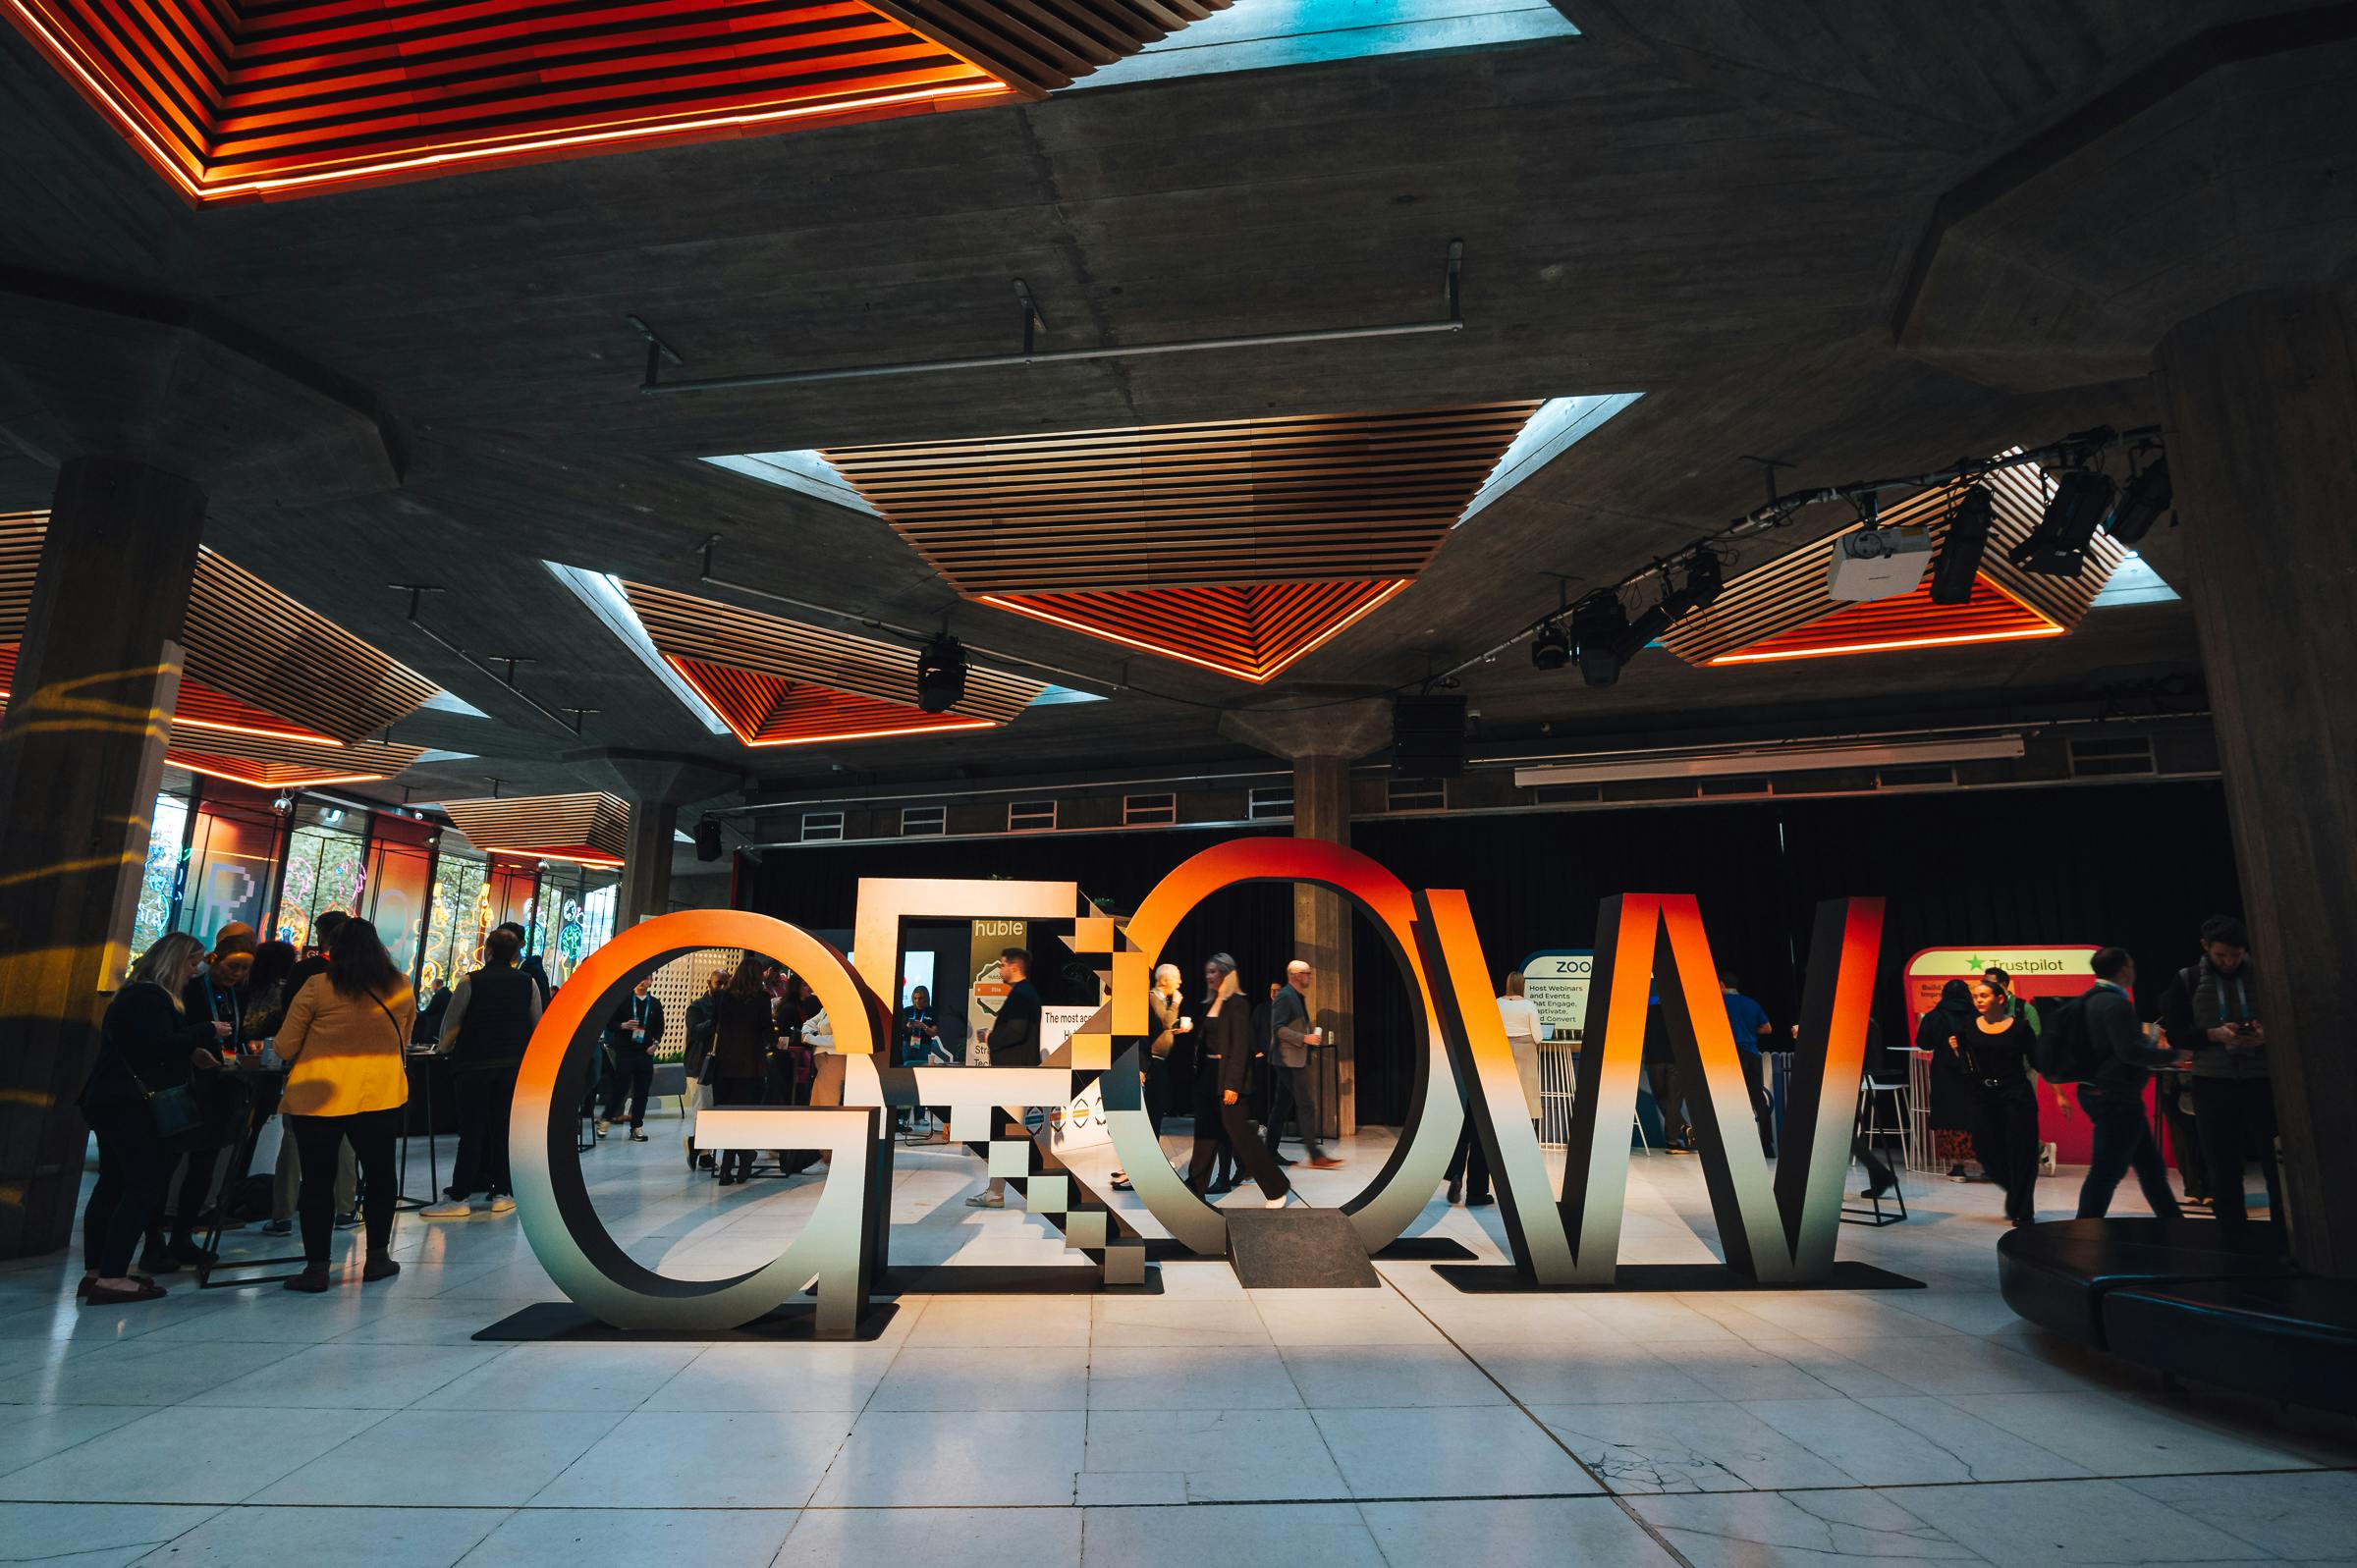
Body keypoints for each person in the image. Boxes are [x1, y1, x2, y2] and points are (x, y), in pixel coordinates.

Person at [77, 933, 231, 1305]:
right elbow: (159, 1044)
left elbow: (147, 1044)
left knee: (113, 1184)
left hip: (111, 1099)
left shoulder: (134, 995)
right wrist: (206, 1030)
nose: (194, 973)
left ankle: (98, 1271)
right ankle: (112, 1276)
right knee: (143, 1186)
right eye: (192, 965)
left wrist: (189, 1050)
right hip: (131, 1104)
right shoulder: (150, 997)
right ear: (174, 962)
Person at [273, 917, 416, 1292]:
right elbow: (405, 1038)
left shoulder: (317, 986)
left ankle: (317, 1268)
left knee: (317, 1181)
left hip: (318, 1096)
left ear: (333, 950)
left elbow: (285, 1046)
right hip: (379, 1095)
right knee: (381, 1177)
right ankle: (378, 1258)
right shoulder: (399, 986)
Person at [2167, 916, 2282, 1238]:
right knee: (2222, 1168)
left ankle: (2285, 1238)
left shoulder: (2267, 975)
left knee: (2276, 1165)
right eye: (2221, 956)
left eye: (2236, 955)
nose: (2230, 962)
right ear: (2206, 948)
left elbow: (2296, 1020)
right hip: (2212, 1082)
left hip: (2264, 1081)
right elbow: (2176, 1034)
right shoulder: (2187, 979)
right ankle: (2233, 1241)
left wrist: (2266, 1034)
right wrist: (2213, 1035)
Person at [421, 926, 541, 1217]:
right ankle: (503, 1192)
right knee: (503, 1130)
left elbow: (452, 1023)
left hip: (473, 1066)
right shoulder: (528, 983)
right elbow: (536, 1023)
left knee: (472, 1132)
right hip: (512, 1067)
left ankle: (460, 1196)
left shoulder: (470, 981)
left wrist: (443, 1049)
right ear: (516, 954)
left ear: (487, 951)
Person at [2073, 946, 2190, 1221]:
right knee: (2105, 1174)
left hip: (2102, 1093)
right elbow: (2130, 1052)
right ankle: (2083, 1230)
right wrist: (2174, 1055)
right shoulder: (2115, 1004)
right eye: (2132, 966)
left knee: (2150, 1169)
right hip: (2116, 1099)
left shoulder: (2088, 1001)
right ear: (2125, 969)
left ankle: (2174, 1224)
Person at [1184, 953, 1289, 1207]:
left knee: (1242, 1134)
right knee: (1206, 1133)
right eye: (1207, 972)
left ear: (1227, 974)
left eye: (1214, 972)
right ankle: (1195, 1187)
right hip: (1207, 1075)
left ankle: (1276, 1187)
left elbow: (1241, 1047)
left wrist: (1232, 1084)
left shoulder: (1238, 1004)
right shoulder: (1211, 1002)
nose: (1209, 976)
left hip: (1227, 1075)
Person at [1946, 980, 2041, 1227]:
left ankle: (2023, 1210)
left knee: (2021, 1152)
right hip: (1984, 1095)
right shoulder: (1967, 1027)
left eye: (1984, 995)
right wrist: (1957, 1050)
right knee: (1985, 1149)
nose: (1978, 1000)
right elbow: (1967, 1065)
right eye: (1975, 996)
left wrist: (2060, 1092)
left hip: (2016, 1094)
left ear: (2000, 999)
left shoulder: (2020, 1028)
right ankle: (2017, 1191)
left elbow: (2038, 1061)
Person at [968, 946, 1042, 1209]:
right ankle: (995, 1191)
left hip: (1013, 1076)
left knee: (1008, 1136)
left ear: (1014, 966)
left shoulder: (1022, 995)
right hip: (1015, 1075)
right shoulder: (1026, 993)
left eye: (1001, 965)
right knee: (1007, 1134)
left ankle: (999, 1192)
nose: (999, 970)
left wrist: (990, 1037)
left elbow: (1017, 1032)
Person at [1114, 964, 1188, 1190]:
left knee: (1153, 1115)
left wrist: (1176, 1029)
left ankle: (1137, 1166)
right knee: (1150, 1116)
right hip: (1150, 1063)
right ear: (1165, 981)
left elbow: (1162, 1026)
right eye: (1177, 979)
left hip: (1154, 1062)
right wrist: (1176, 1003)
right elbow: (1163, 1022)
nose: (1180, 984)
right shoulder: (1154, 998)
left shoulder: (1156, 999)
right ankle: (1140, 1169)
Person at [1265, 959, 1343, 1170]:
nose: (1309, 976)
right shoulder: (1285, 996)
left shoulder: (1296, 996)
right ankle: (1315, 1155)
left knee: (1281, 1108)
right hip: (1287, 1060)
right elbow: (1277, 1028)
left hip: (1292, 1059)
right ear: (1295, 975)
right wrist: (1304, 1038)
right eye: (1306, 973)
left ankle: (1269, 1153)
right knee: (1306, 1105)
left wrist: (1307, 1038)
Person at [709, 955, 776, 1185]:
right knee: (745, 1117)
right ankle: (744, 1159)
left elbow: (715, 1025)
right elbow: (767, 1030)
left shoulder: (722, 997)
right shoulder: (762, 999)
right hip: (750, 1067)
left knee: (728, 1116)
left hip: (724, 1067)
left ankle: (727, 1167)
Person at [1919, 979, 1981, 1180]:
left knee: (1950, 1116)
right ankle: (1986, 1163)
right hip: (1974, 1074)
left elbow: (1924, 1043)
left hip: (1945, 1074)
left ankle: (1958, 1168)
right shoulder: (1977, 1016)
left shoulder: (1934, 1016)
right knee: (1977, 1114)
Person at [595, 975, 664, 1140]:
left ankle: (637, 1127)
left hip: (645, 1052)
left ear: (651, 981)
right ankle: (605, 1119)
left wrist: (655, 1044)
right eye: (640, 978)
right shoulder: (624, 1000)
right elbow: (610, 1023)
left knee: (642, 1092)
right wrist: (622, 1025)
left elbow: (659, 1028)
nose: (642, 981)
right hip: (625, 1051)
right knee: (620, 1088)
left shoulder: (654, 1003)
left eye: (646, 979)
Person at [1720, 971, 1777, 1159]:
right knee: (1758, 1100)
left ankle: (1735, 1146)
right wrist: (1748, 1031)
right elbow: (1768, 1028)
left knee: (1731, 1100)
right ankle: (1767, 1146)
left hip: (1732, 1055)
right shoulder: (1752, 1003)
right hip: (1752, 1055)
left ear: (1722, 985)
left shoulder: (1721, 1003)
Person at [684, 968, 725, 1169]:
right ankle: (700, 1148)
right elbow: (696, 1031)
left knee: (713, 1111)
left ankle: (701, 1147)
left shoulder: (727, 1007)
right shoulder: (696, 1007)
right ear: (709, 983)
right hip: (699, 1066)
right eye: (719, 983)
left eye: (726, 984)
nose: (722, 988)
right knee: (703, 1110)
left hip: (719, 1067)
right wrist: (715, 1021)